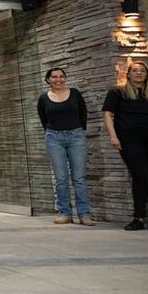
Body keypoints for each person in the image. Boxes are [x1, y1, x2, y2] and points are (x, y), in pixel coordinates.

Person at [103, 60, 148, 231]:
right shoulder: (118, 92)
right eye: (135, 70)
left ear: (146, 74)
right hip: (129, 140)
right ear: (128, 74)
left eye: (142, 71)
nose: (139, 73)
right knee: (140, 175)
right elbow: (107, 115)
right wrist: (114, 137)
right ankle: (139, 217)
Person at [37, 68, 94, 226]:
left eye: (61, 76)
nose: (58, 79)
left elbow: (83, 115)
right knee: (61, 178)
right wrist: (54, 132)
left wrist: (78, 131)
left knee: (79, 178)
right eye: (54, 77)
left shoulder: (75, 93)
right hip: (54, 138)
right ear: (48, 79)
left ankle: (84, 214)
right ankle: (65, 213)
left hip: (76, 137)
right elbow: (44, 119)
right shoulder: (43, 98)